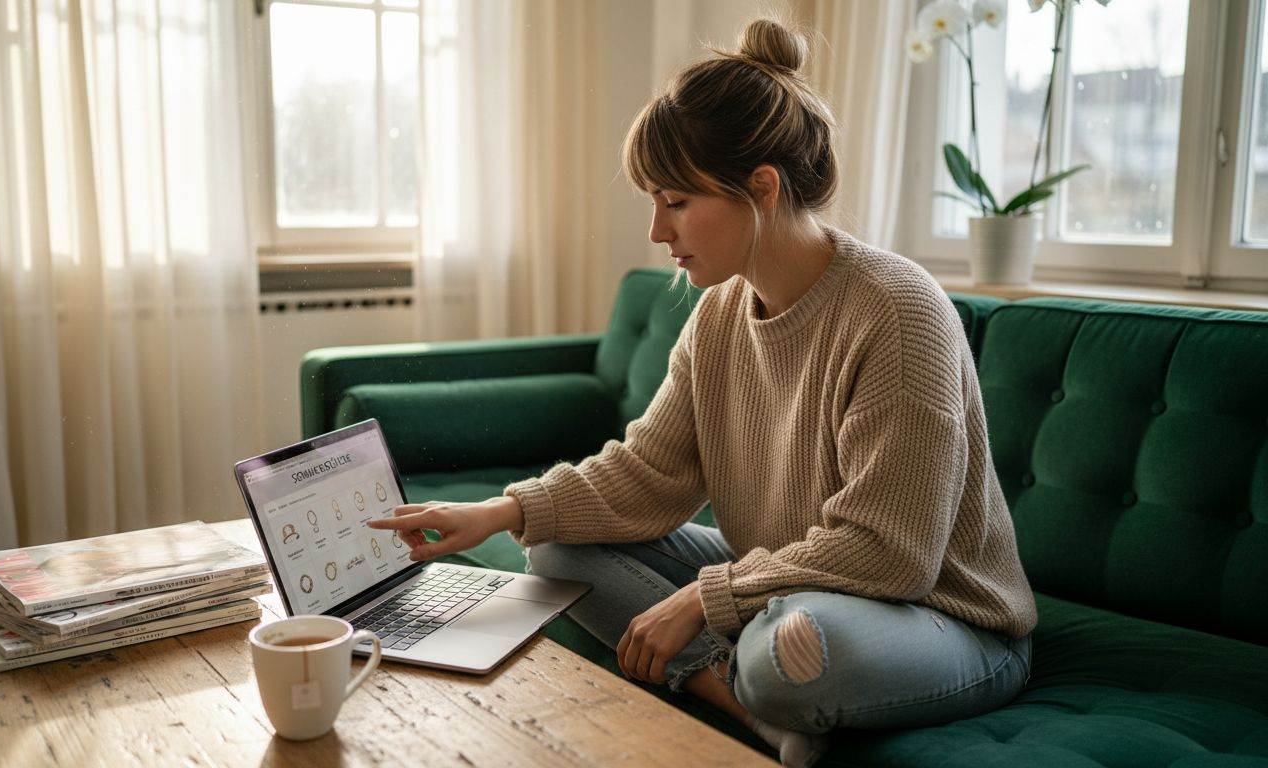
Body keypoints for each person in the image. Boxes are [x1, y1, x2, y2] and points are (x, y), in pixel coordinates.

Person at [369, 18, 1036, 767]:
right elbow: (648, 473)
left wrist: (701, 600)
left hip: (938, 618)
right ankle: (745, 710)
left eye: (677, 201)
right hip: (789, 576)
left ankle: (756, 677)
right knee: (556, 544)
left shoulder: (896, 311)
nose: (657, 230)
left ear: (762, 187)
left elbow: (890, 554)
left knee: (791, 650)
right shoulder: (719, 311)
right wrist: (502, 509)